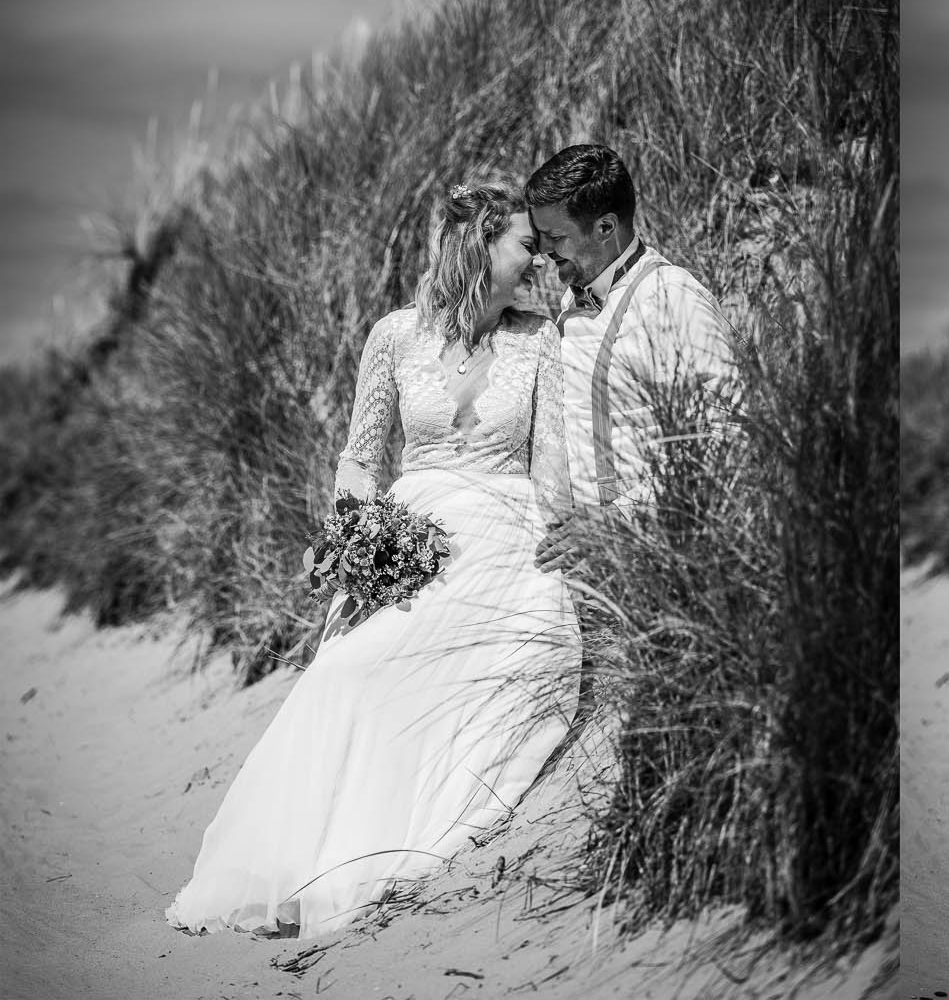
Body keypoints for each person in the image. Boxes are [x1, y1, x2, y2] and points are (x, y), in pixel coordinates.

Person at [166, 182, 580, 940]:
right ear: (478, 246)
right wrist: (362, 533)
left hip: (503, 533)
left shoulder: (540, 338)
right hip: (412, 537)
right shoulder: (394, 337)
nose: (541, 259)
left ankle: (389, 855)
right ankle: (309, 866)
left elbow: (550, 463)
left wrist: (560, 542)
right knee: (345, 672)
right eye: (526, 244)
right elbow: (359, 459)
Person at [522, 144, 737, 559]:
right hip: (582, 567)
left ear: (605, 227)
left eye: (556, 237)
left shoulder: (672, 296)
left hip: (661, 554)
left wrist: (620, 518)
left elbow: (728, 433)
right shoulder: (571, 305)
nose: (544, 253)